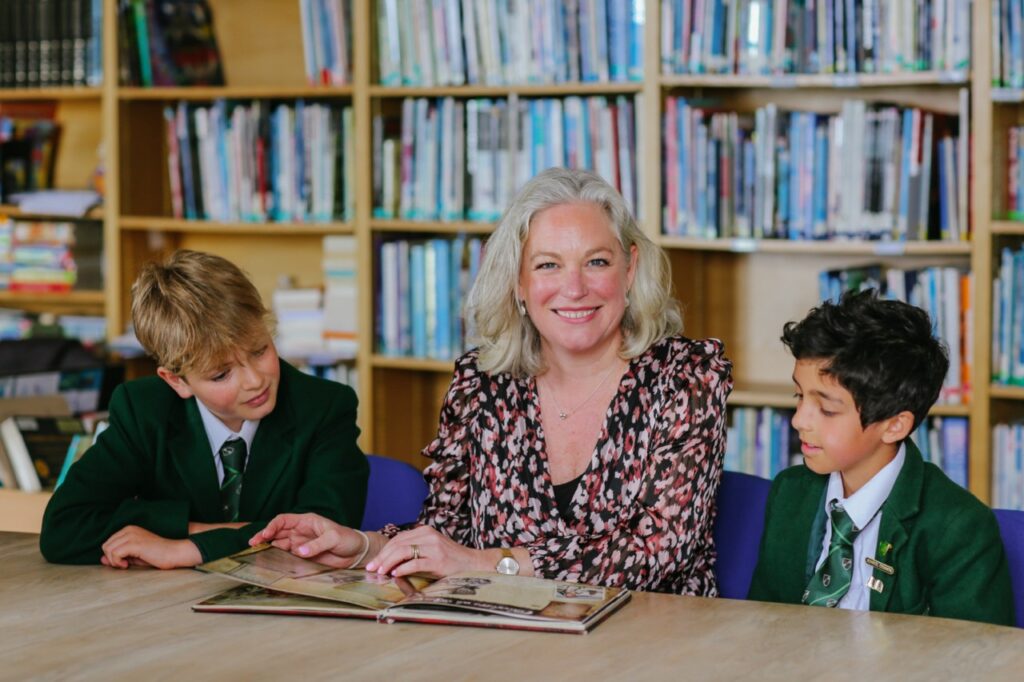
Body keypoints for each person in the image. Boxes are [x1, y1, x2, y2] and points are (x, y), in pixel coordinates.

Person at [251, 167, 733, 595]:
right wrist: (361, 546)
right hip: (504, 645)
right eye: (548, 264)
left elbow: (658, 550)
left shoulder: (686, 378)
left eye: (597, 261)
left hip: (653, 646)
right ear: (519, 283)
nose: (575, 287)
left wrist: (487, 564)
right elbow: (446, 534)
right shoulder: (481, 386)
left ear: (629, 269)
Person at [39, 250, 369, 569]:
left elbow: (322, 538)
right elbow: (63, 528)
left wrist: (186, 548)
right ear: (177, 381)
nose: (255, 381)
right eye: (221, 374)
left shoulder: (324, 407)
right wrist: (202, 529)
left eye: (259, 350)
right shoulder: (144, 411)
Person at [747, 290, 1014, 625]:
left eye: (827, 409)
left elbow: (974, 661)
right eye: (799, 396)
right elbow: (760, 623)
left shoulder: (958, 527)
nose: (799, 420)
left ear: (894, 426)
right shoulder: (790, 493)